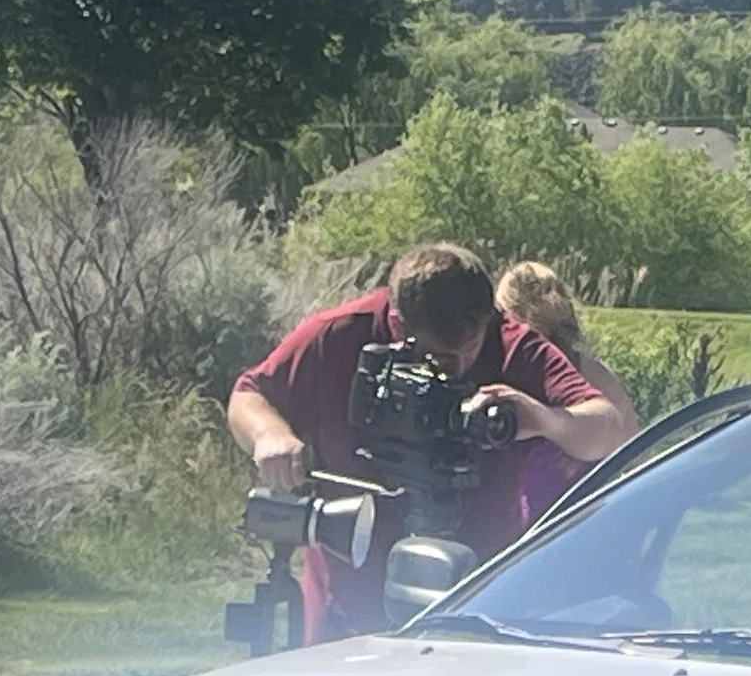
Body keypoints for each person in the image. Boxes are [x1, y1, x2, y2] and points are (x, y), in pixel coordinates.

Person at [230, 243, 639, 642]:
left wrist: (546, 419)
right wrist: (270, 435)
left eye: (471, 350)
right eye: (442, 357)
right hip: (350, 607)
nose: (459, 367)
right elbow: (249, 393)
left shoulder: (513, 344)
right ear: (398, 324)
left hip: (477, 608)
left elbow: (606, 426)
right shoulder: (338, 335)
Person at [493, 260, 641, 516]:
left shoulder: (507, 379)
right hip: (593, 519)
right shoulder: (598, 376)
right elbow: (637, 459)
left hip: (526, 528)